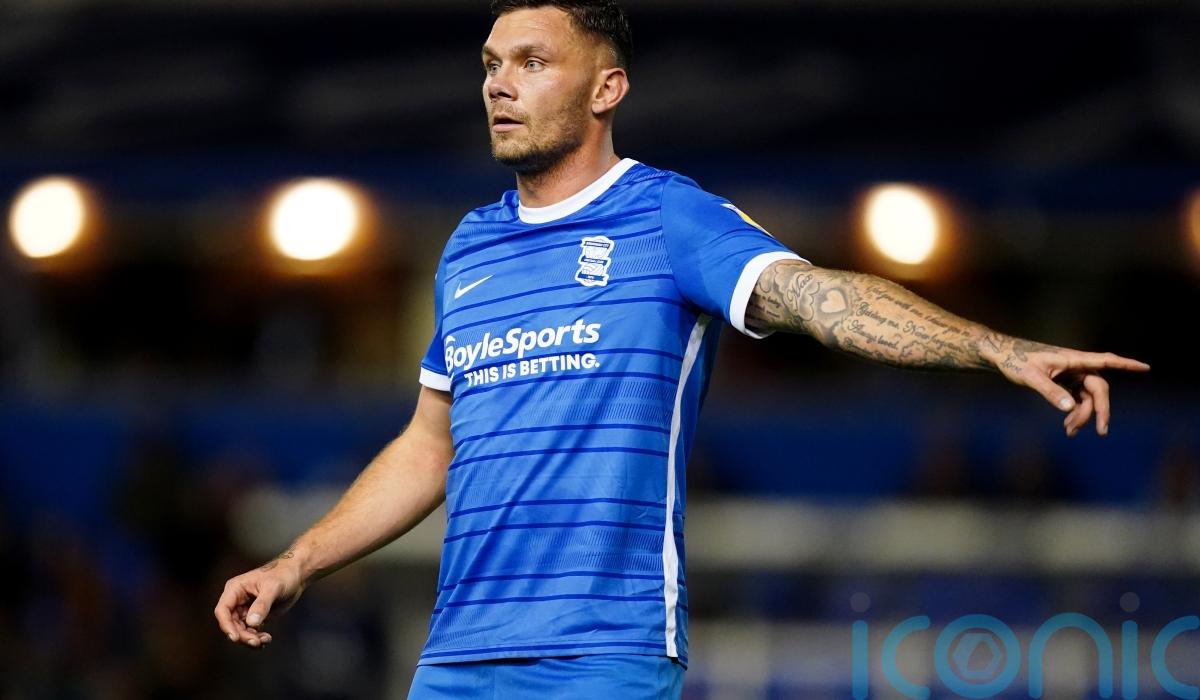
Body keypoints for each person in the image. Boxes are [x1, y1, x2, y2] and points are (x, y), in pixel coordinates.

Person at [213, 1, 1150, 697]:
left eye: (532, 62)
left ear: (606, 88)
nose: (499, 83)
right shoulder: (468, 248)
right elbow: (430, 446)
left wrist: (994, 347)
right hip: (456, 656)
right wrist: (297, 564)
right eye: (492, 63)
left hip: (602, 653)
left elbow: (816, 297)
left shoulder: (666, 218)